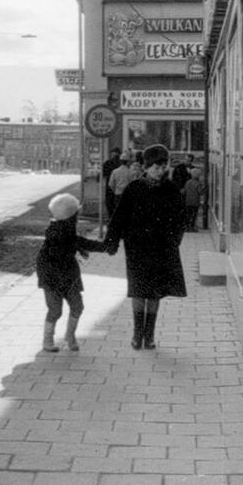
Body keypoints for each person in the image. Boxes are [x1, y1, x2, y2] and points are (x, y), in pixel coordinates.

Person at [104, 143, 187, 350]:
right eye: (156, 167)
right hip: (137, 248)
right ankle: (137, 334)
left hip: (161, 249)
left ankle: (149, 336)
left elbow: (181, 219)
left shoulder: (171, 190)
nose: (160, 171)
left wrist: (174, 240)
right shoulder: (134, 189)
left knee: (155, 292)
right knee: (138, 290)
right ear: (146, 167)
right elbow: (119, 217)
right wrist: (112, 241)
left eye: (163, 167)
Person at [36, 193, 105, 353]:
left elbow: (75, 242)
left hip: (67, 275)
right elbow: (77, 242)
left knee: (77, 306)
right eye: (76, 213)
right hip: (52, 278)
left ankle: (69, 336)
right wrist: (104, 247)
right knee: (56, 310)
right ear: (71, 215)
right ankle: (47, 340)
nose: (78, 216)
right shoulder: (58, 232)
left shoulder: (64, 228)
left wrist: (79, 248)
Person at [102, 148, 123, 220]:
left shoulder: (108, 163)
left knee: (109, 202)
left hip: (110, 186)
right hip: (120, 188)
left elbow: (102, 174)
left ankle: (111, 217)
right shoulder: (122, 163)